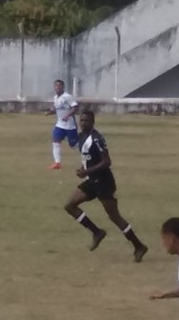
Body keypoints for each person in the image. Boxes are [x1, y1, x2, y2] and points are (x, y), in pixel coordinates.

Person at [63, 109, 148, 262]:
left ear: (93, 122)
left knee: (114, 217)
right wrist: (84, 169)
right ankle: (97, 232)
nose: (83, 123)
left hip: (104, 182)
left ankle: (139, 246)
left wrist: (87, 170)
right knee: (69, 205)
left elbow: (107, 161)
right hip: (91, 180)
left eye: (86, 121)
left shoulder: (97, 138)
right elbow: (89, 158)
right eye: (81, 120)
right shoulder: (82, 137)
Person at [47, 79, 78, 170]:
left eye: (59, 86)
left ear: (63, 87)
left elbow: (75, 107)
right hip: (60, 125)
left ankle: (89, 153)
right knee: (55, 141)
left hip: (70, 125)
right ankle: (57, 163)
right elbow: (57, 109)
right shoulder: (55, 97)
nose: (57, 88)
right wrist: (50, 112)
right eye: (56, 86)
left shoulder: (67, 97)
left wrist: (68, 116)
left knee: (74, 145)